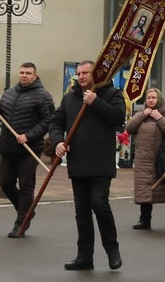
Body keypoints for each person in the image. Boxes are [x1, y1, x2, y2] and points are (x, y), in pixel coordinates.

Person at [47, 60, 127, 271]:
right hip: (78, 162)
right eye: (79, 73)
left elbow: (119, 117)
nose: (81, 76)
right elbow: (56, 122)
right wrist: (57, 142)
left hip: (101, 161)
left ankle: (112, 250)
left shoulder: (111, 93)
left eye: (86, 73)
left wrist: (95, 102)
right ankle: (84, 256)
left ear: (96, 74)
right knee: (81, 211)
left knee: (99, 204)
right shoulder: (70, 98)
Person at [0, 63, 57, 236]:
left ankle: (21, 222)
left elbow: (49, 120)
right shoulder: (9, 93)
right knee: (5, 184)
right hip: (8, 147)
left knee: (26, 186)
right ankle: (27, 210)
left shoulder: (43, 96)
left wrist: (29, 135)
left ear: (35, 76)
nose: (24, 75)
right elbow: (0, 113)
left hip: (29, 149)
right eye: (22, 72)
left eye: (28, 73)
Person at [129, 87, 165, 231]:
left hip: (162, 159)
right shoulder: (141, 113)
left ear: (159, 99)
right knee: (145, 190)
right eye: (148, 98)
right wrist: (142, 115)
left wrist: (160, 119)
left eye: (153, 97)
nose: (150, 100)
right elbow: (129, 128)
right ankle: (144, 220)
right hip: (144, 159)